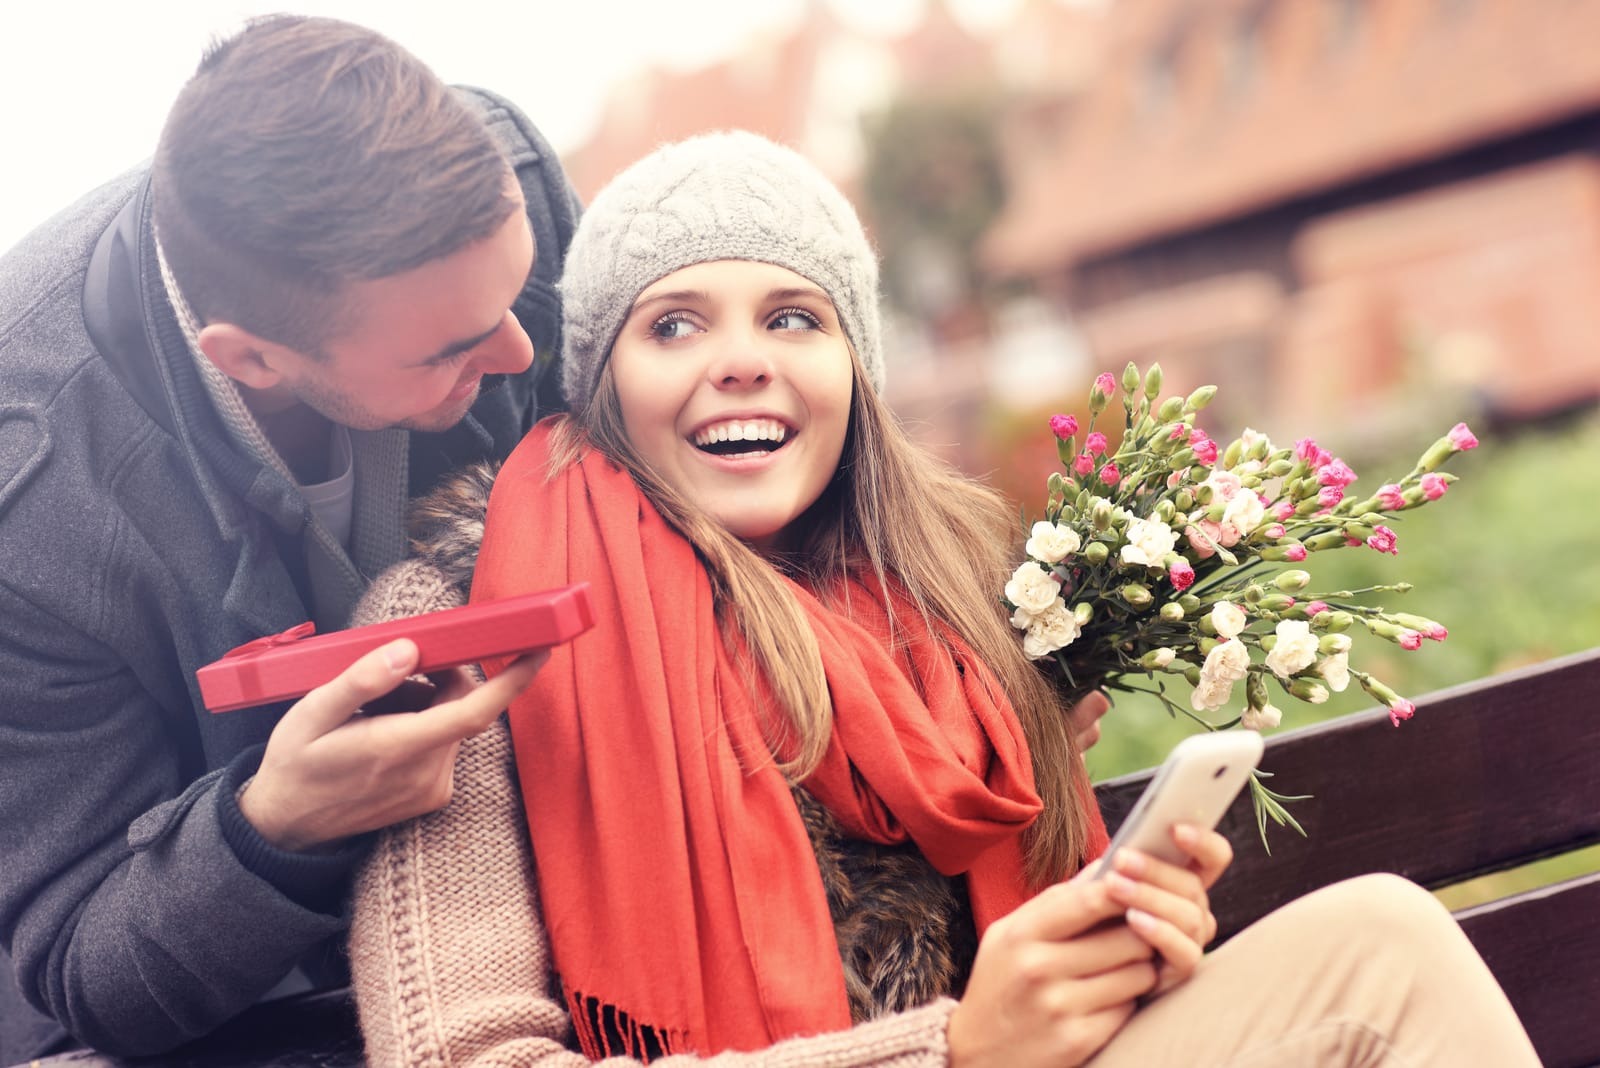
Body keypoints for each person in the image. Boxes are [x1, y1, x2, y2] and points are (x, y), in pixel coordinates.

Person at [345, 132, 1540, 1066]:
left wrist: (1113, 962)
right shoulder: (460, 629)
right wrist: (952, 1053)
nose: (744, 358)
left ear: (853, 372)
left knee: (1378, 948)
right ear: (601, 387)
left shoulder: (952, 598)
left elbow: (1024, 979)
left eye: (793, 317)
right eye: (672, 325)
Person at [0, 15, 576, 1060]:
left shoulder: (509, 179)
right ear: (252, 360)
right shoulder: (33, 504)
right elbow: (82, 968)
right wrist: (275, 832)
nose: (523, 348)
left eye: (518, 288)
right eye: (451, 349)